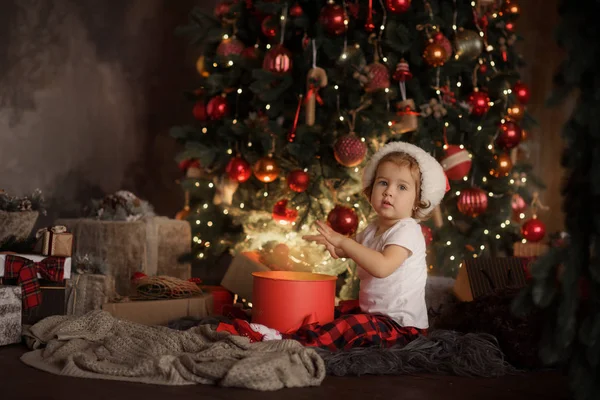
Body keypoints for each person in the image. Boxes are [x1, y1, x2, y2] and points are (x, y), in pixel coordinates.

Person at [216, 141, 449, 351]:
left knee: (349, 327)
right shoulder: (372, 228)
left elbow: (382, 266)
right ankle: (285, 329)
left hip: (401, 327)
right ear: (371, 189)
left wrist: (344, 242)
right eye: (383, 183)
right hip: (375, 315)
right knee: (334, 315)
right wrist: (333, 244)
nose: (389, 191)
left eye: (402, 187)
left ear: (417, 201)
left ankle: (284, 341)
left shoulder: (407, 229)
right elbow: (344, 251)